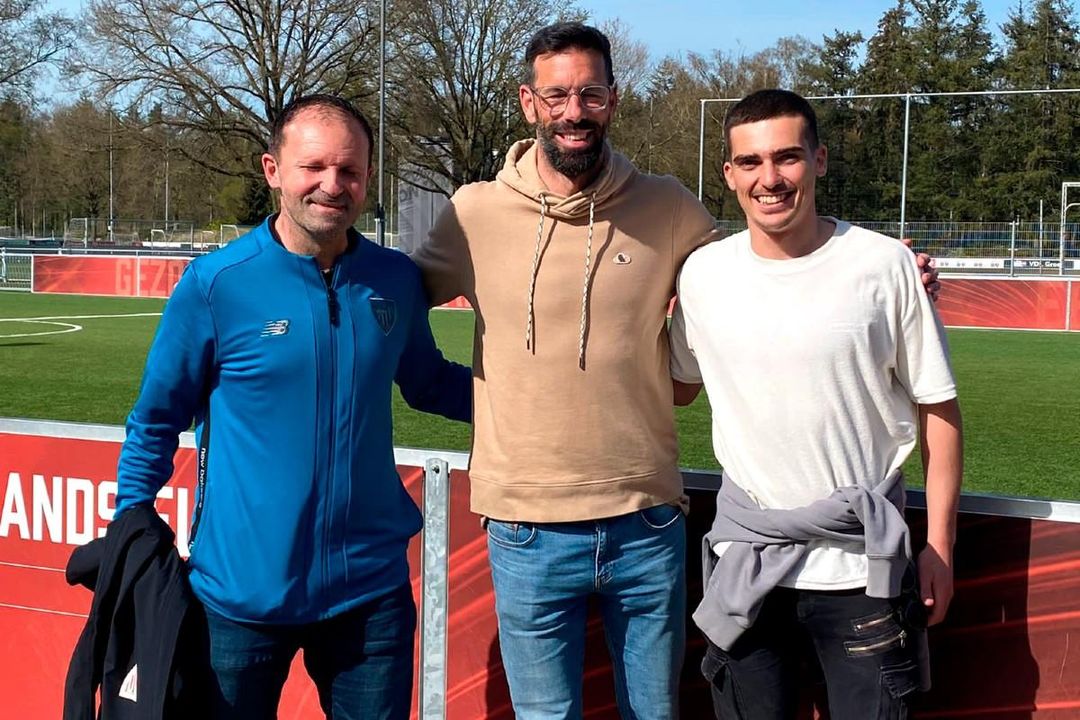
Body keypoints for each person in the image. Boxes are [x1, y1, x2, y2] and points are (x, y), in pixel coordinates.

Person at [113, 94, 471, 720]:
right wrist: (131, 520)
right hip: (240, 599)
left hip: (370, 595)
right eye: (314, 167)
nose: (333, 185)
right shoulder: (216, 284)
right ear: (273, 170)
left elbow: (430, 383)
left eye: (350, 170)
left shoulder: (394, 278)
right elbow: (157, 418)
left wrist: (537, 401)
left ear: (367, 178)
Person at [670, 89, 963, 720]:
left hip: (864, 573)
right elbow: (677, 387)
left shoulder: (885, 266)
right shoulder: (702, 275)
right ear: (729, 173)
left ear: (819, 160)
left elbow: (939, 411)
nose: (769, 178)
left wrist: (939, 545)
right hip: (748, 565)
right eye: (751, 162)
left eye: (787, 157)